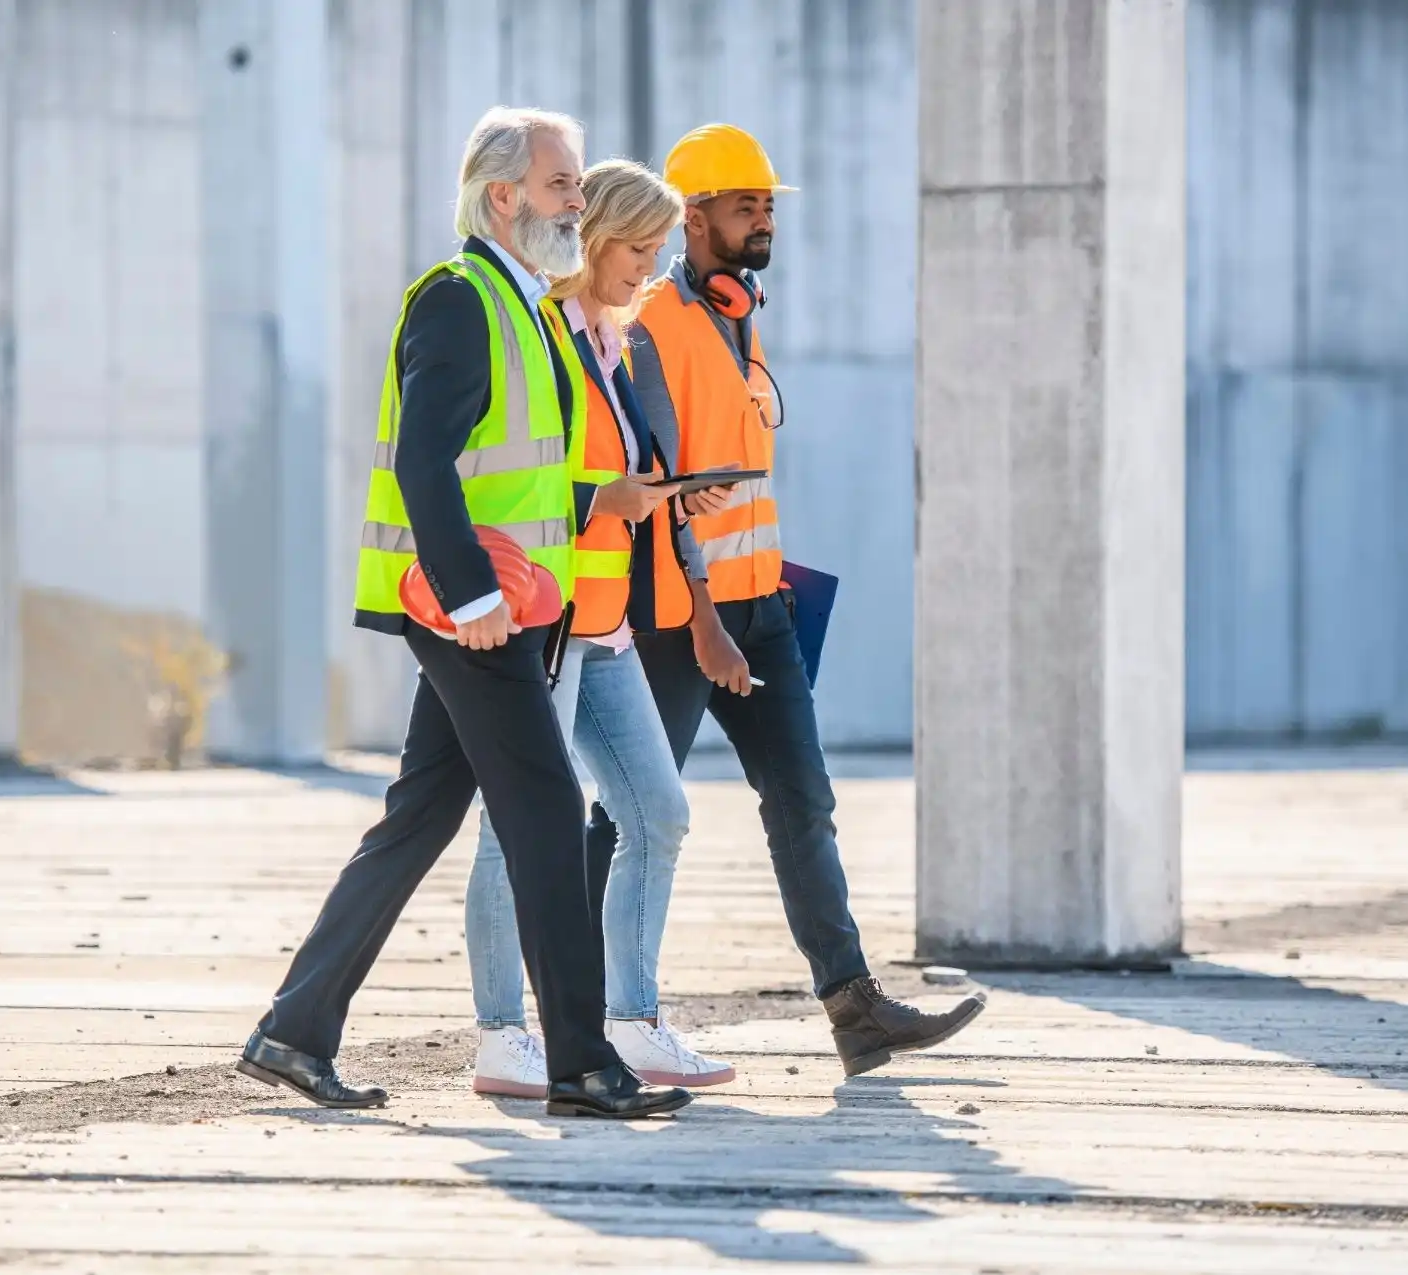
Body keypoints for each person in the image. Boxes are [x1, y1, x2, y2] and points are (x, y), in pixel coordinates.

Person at [236, 107, 691, 1119]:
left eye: (573, 185)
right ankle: (581, 1063)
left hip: (510, 608)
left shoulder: (519, 302)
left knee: (423, 814)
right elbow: (428, 467)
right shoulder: (457, 300)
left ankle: (293, 1030)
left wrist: (574, 530)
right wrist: (473, 597)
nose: (578, 202)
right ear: (504, 196)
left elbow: (519, 480)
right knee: (548, 813)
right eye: (564, 184)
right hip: (471, 612)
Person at [592, 123, 987, 1076]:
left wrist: (755, 605)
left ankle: (853, 1007)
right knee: (633, 817)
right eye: (744, 204)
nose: (763, 218)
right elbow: (658, 492)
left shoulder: (740, 318)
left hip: (762, 605)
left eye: (768, 203)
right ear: (691, 218)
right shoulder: (649, 329)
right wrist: (708, 623)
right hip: (685, 619)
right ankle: (580, 1012)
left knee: (803, 801)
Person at [463, 160, 737, 1099]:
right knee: (515, 829)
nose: (652, 265)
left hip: (607, 618)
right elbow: (518, 476)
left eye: (661, 249)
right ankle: (502, 1035)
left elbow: (613, 468)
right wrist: (598, 495)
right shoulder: (539, 333)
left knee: (657, 812)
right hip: (548, 620)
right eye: (638, 246)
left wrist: (657, 493)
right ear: (591, 240)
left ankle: (631, 1019)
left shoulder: (612, 339)